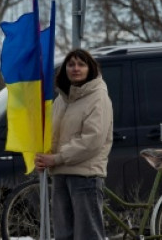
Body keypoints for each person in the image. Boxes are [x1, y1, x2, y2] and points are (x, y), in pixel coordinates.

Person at [34, 49, 113, 240]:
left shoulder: (98, 97)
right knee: (64, 235)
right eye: (71, 64)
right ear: (65, 69)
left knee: (88, 235)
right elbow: (52, 135)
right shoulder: (62, 99)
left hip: (85, 176)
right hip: (60, 174)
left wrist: (57, 157)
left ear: (90, 68)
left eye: (81, 64)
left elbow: (92, 140)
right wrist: (43, 157)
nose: (75, 68)